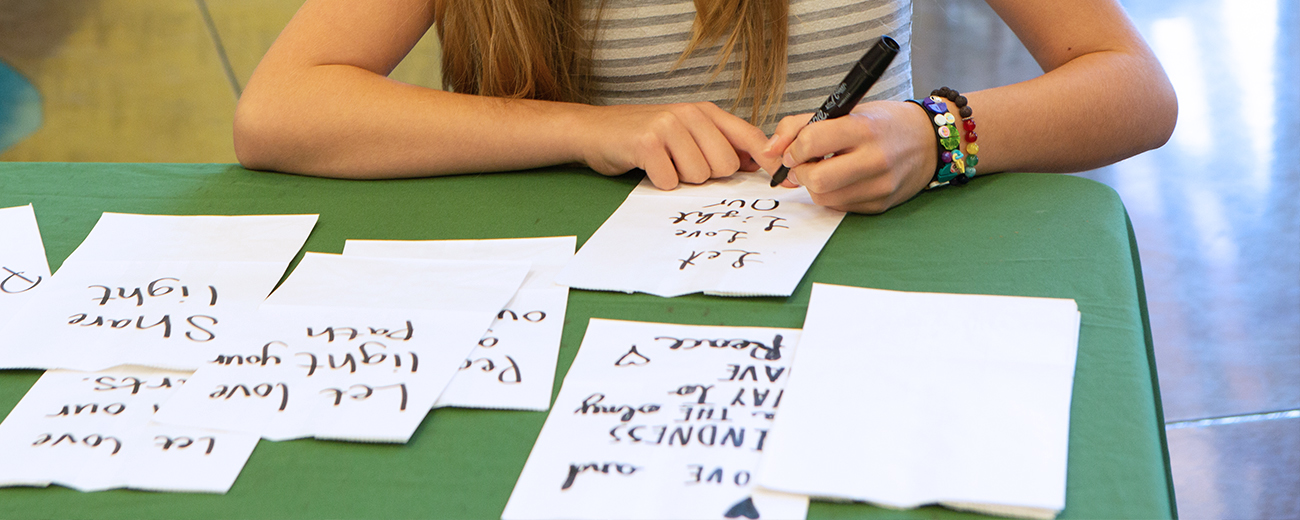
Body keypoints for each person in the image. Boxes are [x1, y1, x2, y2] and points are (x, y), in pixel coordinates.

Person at [233, 0, 1176, 214]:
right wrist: (581, 126)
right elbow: (281, 109)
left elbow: (1134, 89)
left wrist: (936, 134)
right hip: (576, 286)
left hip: (857, 253)